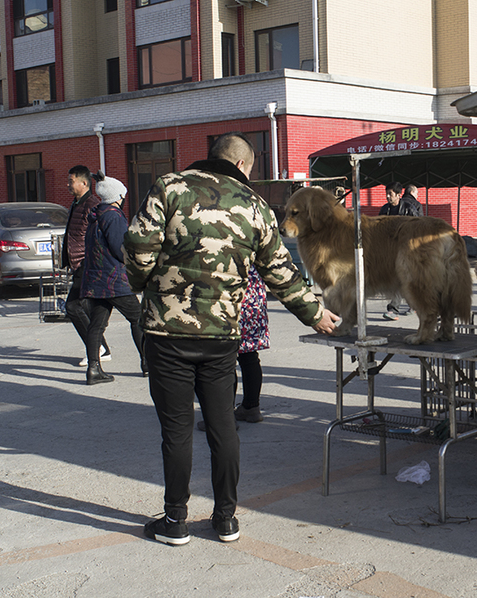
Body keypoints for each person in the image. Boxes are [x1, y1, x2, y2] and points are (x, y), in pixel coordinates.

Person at [124, 132, 339, 547]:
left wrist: (145, 281)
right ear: (244, 165)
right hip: (222, 336)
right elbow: (280, 270)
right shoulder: (255, 206)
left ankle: (176, 521)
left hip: (167, 333)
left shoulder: (170, 187)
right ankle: (225, 520)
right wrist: (314, 313)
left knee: (178, 430)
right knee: (224, 427)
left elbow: (137, 246)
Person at [80, 175, 146, 385]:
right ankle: (147, 363)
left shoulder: (95, 215)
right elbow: (121, 248)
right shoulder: (114, 216)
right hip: (114, 280)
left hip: (96, 279)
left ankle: (93, 368)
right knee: (138, 319)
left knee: (97, 325)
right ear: (118, 196)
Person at [197, 265, 268, 430]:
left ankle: (224, 416)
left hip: (229, 294)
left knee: (224, 358)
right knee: (249, 355)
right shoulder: (256, 239)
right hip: (252, 295)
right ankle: (251, 407)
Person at [63, 165, 111, 366]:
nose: (68, 185)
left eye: (71, 181)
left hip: (87, 262)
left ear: (84, 183)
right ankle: (103, 348)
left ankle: (97, 348)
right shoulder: (77, 203)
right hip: (78, 263)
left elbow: (97, 235)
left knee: (73, 306)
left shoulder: (91, 203)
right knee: (87, 308)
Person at [378, 182, 416, 320]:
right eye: (387, 194)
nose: (388, 197)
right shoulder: (384, 210)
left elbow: (417, 229)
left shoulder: (409, 209)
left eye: (391, 194)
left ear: (399, 195)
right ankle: (397, 309)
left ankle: (404, 306)